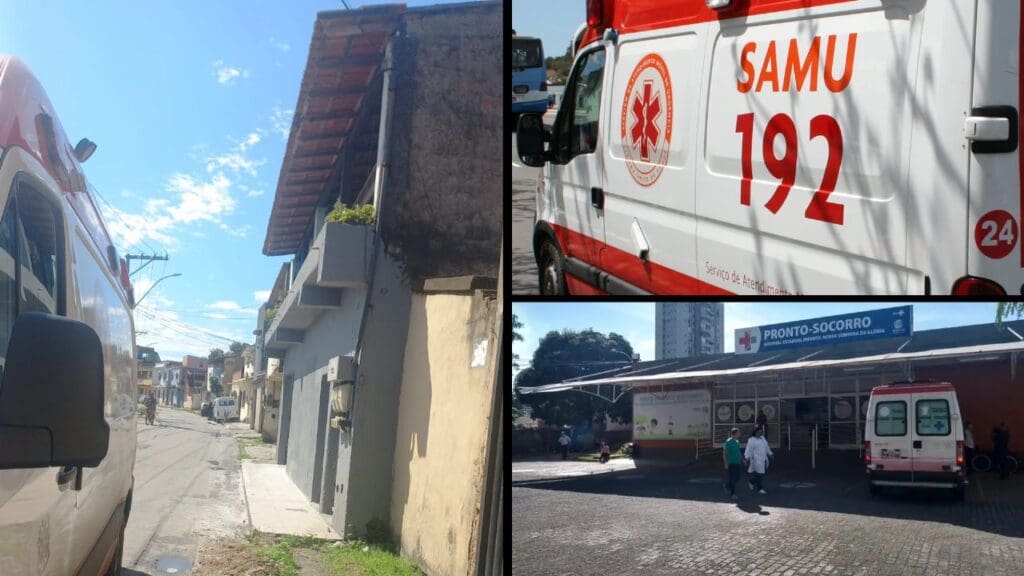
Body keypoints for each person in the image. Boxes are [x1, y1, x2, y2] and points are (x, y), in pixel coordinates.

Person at [744, 426, 773, 494]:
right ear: (756, 432)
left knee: (762, 473)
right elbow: (749, 450)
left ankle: (752, 481)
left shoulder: (762, 438)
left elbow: (767, 447)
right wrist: (746, 458)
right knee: (760, 474)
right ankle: (760, 488)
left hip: (764, 459)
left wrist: (770, 454)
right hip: (756, 459)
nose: (761, 433)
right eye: (759, 431)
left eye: (761, 432)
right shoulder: (752, 440)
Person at [722, 428, 743, 499]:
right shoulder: (728, 442)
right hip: (731, 463)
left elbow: (738, 452)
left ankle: (727, 485)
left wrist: (743, 459)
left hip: (737, 463)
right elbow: (725, 453)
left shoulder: (737, 441)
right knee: (733, 478)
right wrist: (726, 463)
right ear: (734, 434)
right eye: (738, 433)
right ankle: (733, 494)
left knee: (738, 478)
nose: (739, 434)